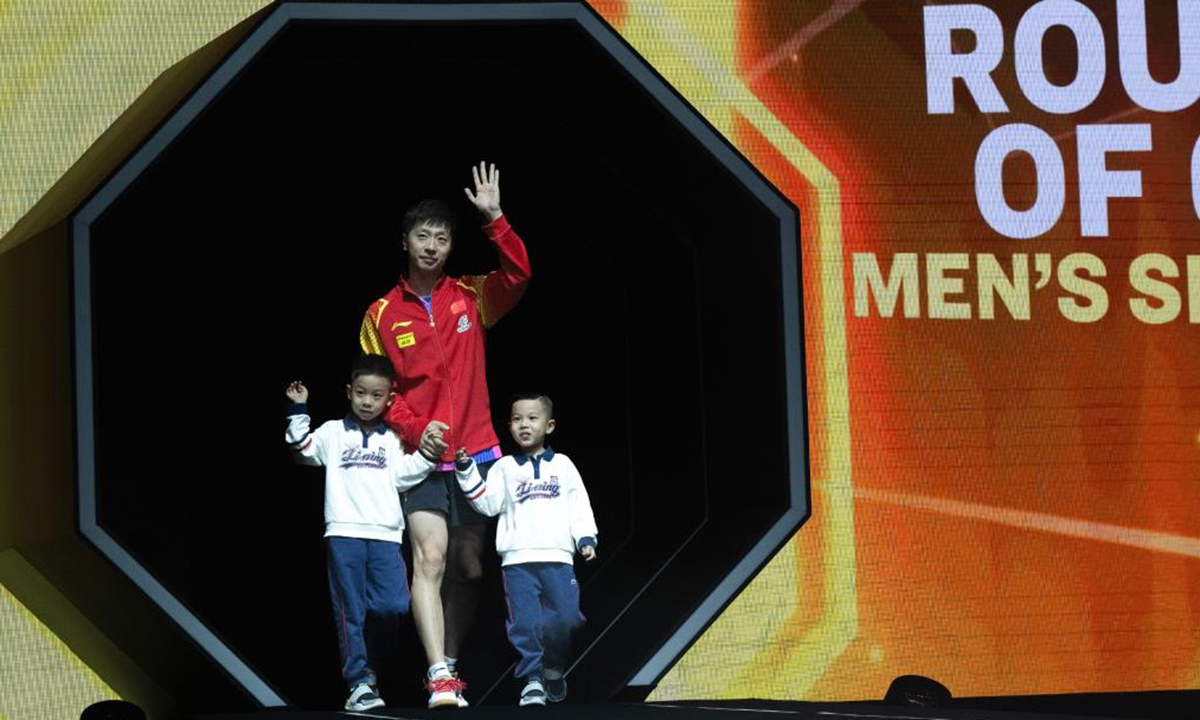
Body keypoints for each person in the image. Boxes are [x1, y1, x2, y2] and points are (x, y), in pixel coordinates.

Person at [359, 161, 532, 707]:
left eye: (441, 238)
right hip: (418, 459)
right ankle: (438, 673)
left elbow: (520, 275)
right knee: (428, 558)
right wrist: (414, 429)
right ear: (405, 242)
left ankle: (450, 658)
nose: (431, 246)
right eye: (422, 237)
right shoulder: (381, 313)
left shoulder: (471, 297)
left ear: (451, 245)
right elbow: (376, 392)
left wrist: (495, 218)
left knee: (470, 568)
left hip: (477, 454)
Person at [284, 355, 447, 712]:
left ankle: (368, 666)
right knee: (351, 611)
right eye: (361, 393)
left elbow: (404, 475)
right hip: (344, 533)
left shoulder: (393, 438)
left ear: (389, 399)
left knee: (394, 607)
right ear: (349, 392)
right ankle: (358, 682)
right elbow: (303, 451)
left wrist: (429, 456)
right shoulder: (331, 431)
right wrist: (299, 410)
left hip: (387, 535)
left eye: (376, 395)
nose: (367, 402)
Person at [453, 393, 598, 707]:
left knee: (567, 619)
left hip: (558, 558)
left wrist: (586, 538)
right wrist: (466, 471)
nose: (524, 425)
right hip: (517, 562)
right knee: (525, 624)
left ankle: (553, 667)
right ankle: (532, 679)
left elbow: (579, 507)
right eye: (517, 419)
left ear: (549, 425)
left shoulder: (564, 465)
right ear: (509, 425)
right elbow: (486, 504)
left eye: (532, 418)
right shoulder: (504, 467)